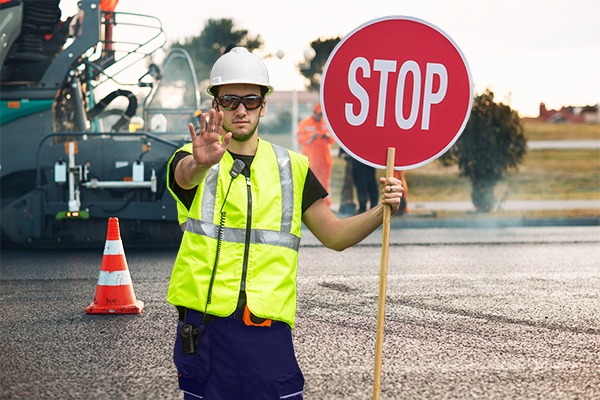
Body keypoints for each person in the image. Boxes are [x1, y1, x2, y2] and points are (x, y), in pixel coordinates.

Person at [166, 47, 403, 400]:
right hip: (204, 332)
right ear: (215, 106)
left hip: (265, 333)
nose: (241, 109)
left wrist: (382, 209)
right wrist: (201, 164)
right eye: (229, 100)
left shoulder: (293, 167)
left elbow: (335, 236)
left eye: (250, 99)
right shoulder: (191, 157)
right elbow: (185, 177)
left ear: (264, 105)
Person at [296, 103, 336, 208]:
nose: (321, 116)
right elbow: (299, 139)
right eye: (319, 114)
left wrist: (327, 136)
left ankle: (327, 206)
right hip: (311, 160)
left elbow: (333, 139)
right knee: (311, 184)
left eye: (322, 114)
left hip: (325, 160)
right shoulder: (304, 123)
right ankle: (311, 206)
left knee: (325, 184)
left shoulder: (326, 123)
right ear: (314, 113)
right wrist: (311, 136)